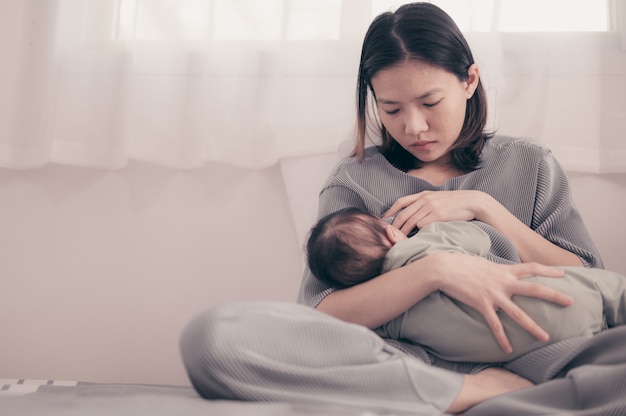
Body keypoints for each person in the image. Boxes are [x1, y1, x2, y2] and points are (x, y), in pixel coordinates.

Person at [180, 3, 626, 415]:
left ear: (469, 81)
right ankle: (474, 396)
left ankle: (509, 398)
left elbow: (588, 274)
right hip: (404, 367)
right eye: (391, 109)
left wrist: (484, 207)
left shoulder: (529, 164)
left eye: (430, 103)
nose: (413, 127)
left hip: (535, 355)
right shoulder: (352, 179)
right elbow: (322, 316)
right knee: (212, 337)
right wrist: (436, 272)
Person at [306, 207, 626, 362]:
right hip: (566, 298)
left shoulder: (389, 321)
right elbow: (478, 237)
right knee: (609, 289)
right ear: (391, 233)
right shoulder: (424, 245)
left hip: (543, 350)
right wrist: (438, 229)